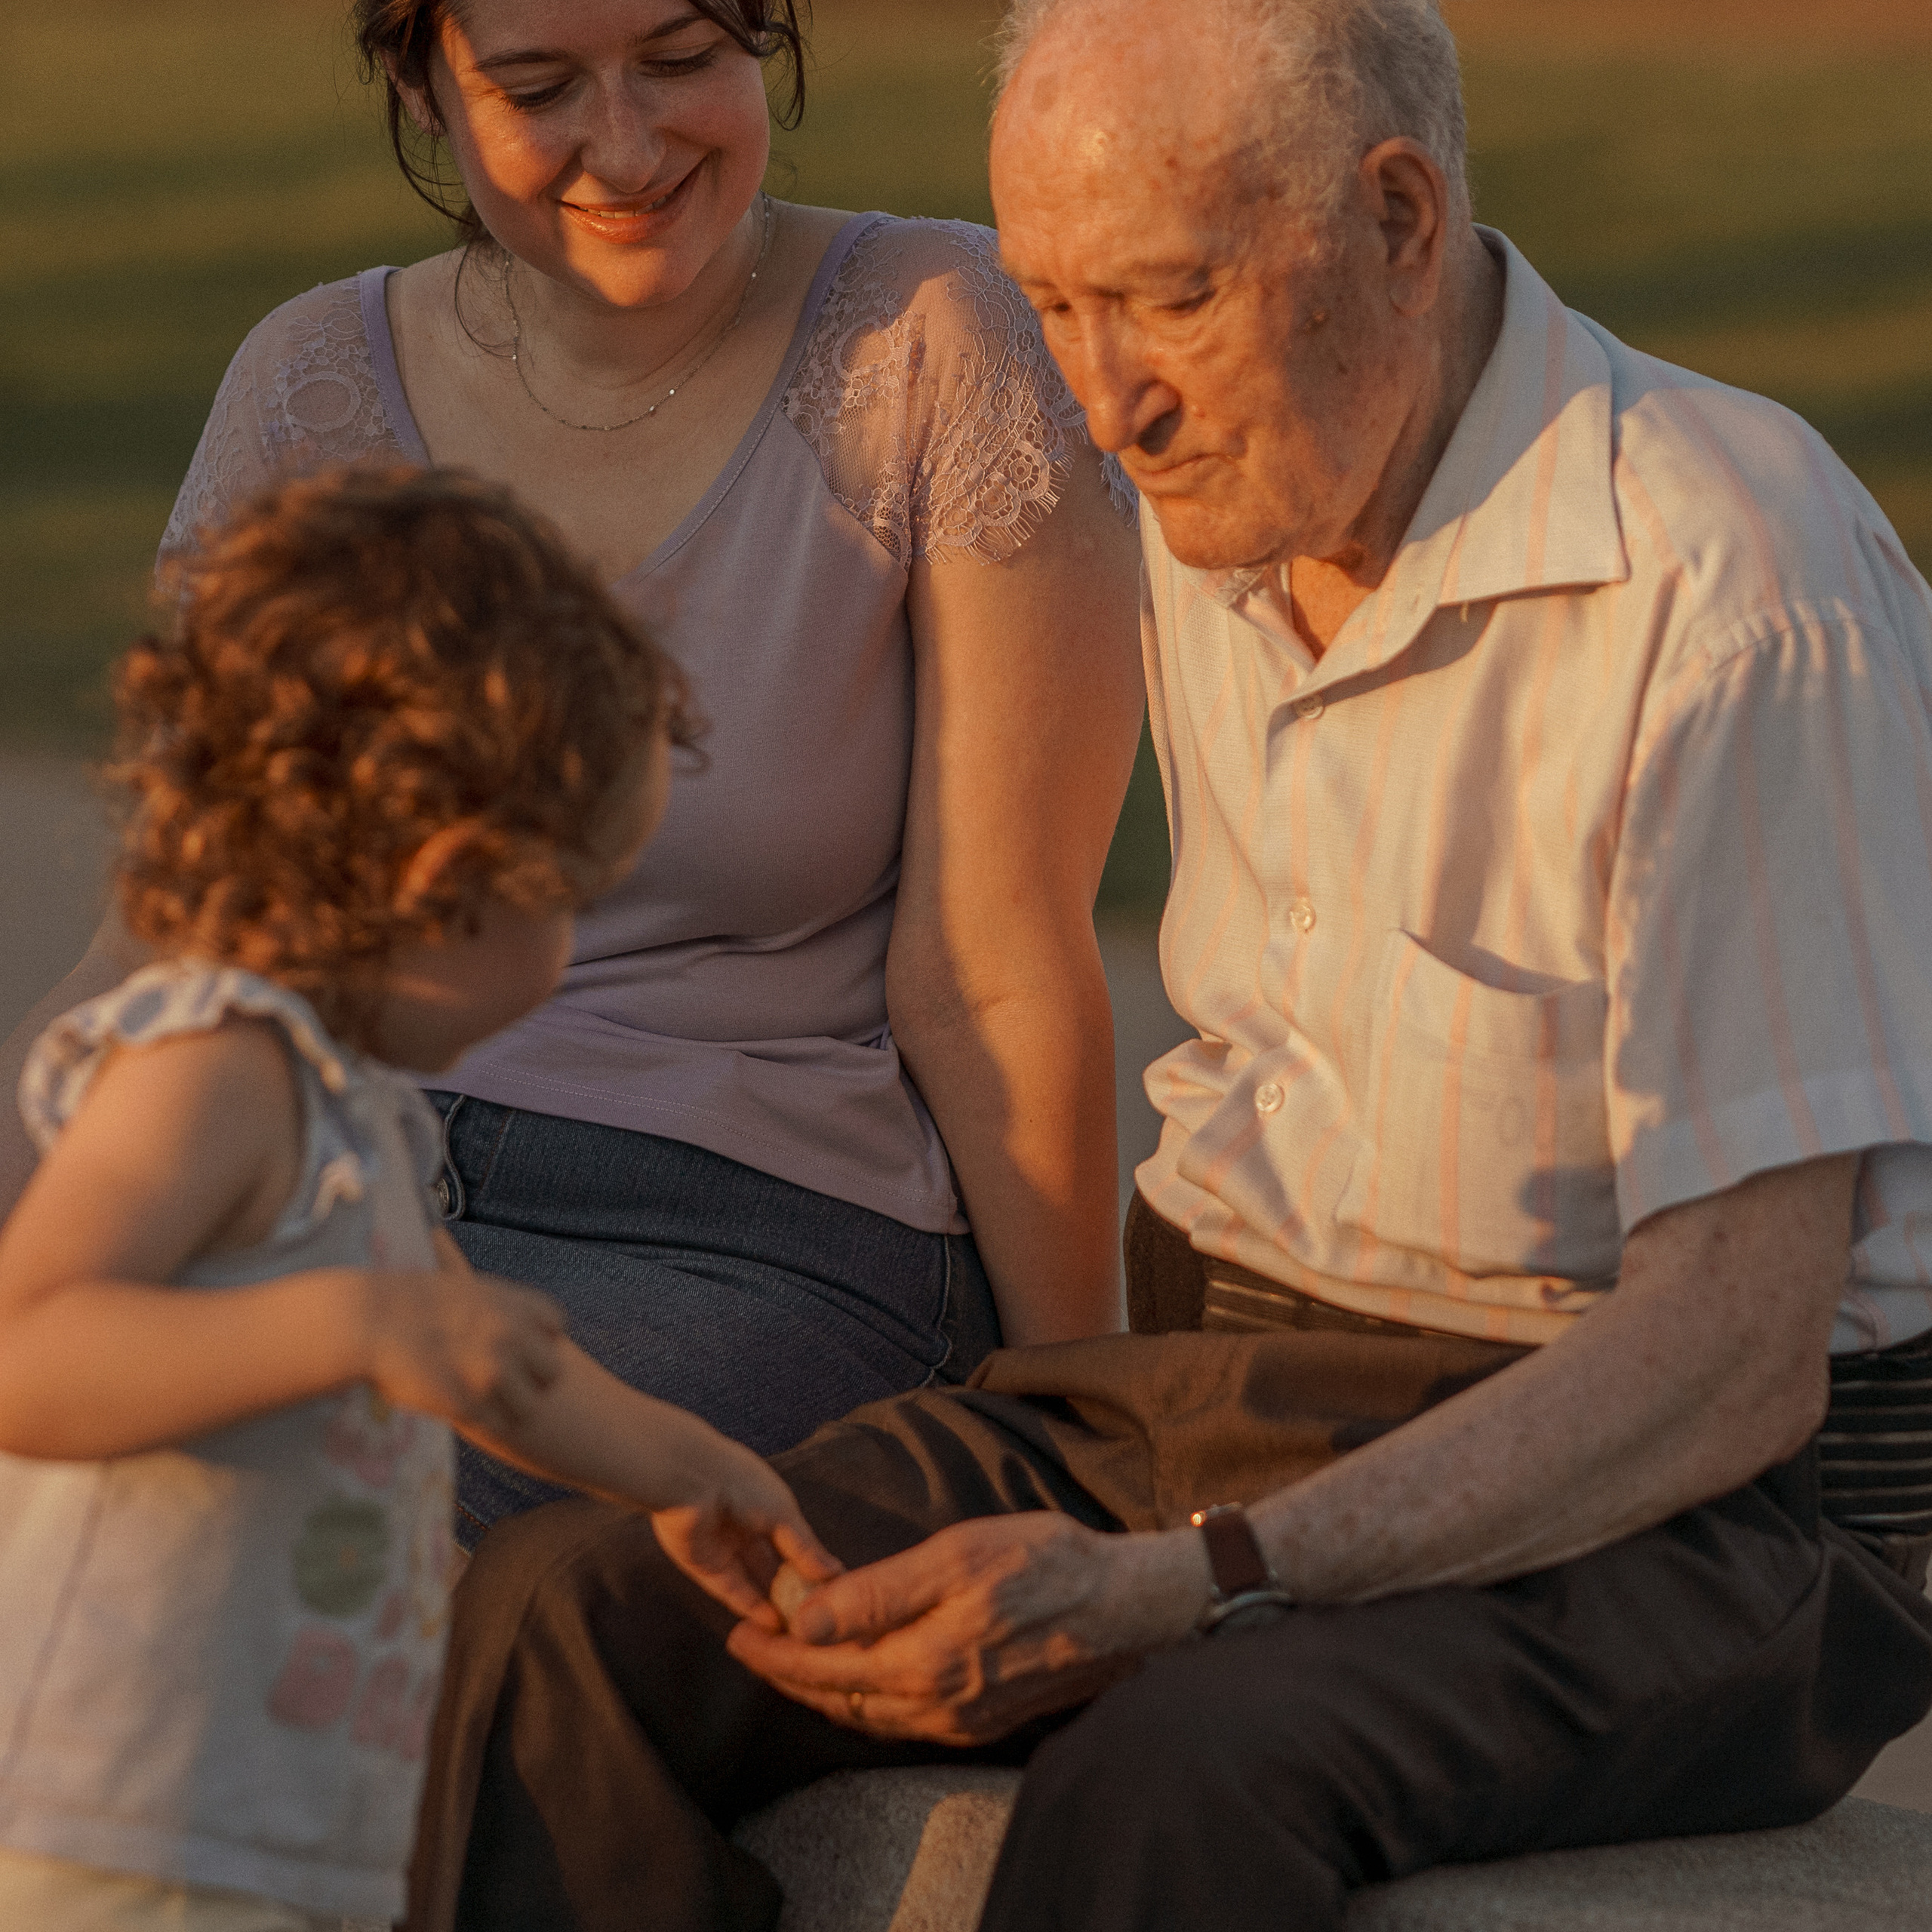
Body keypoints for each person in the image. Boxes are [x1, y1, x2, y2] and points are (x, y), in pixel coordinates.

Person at [401, 2, 1932, 1927]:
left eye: (1171, 298)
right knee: (560, 1615)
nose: (1104, 400)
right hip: (1214, 1391)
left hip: (1683, 1503)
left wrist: (1184, 1584)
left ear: (1395, 221)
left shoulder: (1725, 578)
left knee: (1177, 1770)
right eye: (1053, 305)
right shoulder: (1228, 475)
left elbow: (1730, 1354)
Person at [0, 0, 1144, 1549]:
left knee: (306, 1512)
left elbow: (994, 965)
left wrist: (1081, 1434)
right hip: (337, 1193)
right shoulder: (310, 380)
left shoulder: (933, 333)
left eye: (680, 60)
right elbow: (161, 938)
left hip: (756, 1230)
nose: (627, 144)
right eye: (540, 87)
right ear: (421, 86)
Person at [0, 468, 841, 1932]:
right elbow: (31, 1352)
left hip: (279, 1833)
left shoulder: (359, 1114)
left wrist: (695, 1472)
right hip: (117, 1829)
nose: (572, 949)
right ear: (450, 877)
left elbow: (504, 1375)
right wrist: (353, 1324)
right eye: (570, 898)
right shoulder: (212, 1066)